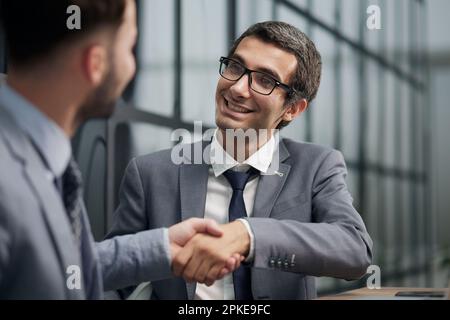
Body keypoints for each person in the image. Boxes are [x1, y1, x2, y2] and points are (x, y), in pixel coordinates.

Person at [107, 21, 373, 300]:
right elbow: (113, 278)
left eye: (265, 80)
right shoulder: (150, 173)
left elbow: (355, 251)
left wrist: (249, 235)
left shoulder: (317, 166)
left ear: (292, 109)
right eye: (235, 67)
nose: (238, 88)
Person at [0, 0, 240, 300]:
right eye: (130, 48)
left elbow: (57, 269)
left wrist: (161, 248)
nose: (132, 67)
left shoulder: (39, 155)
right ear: (95, 64)